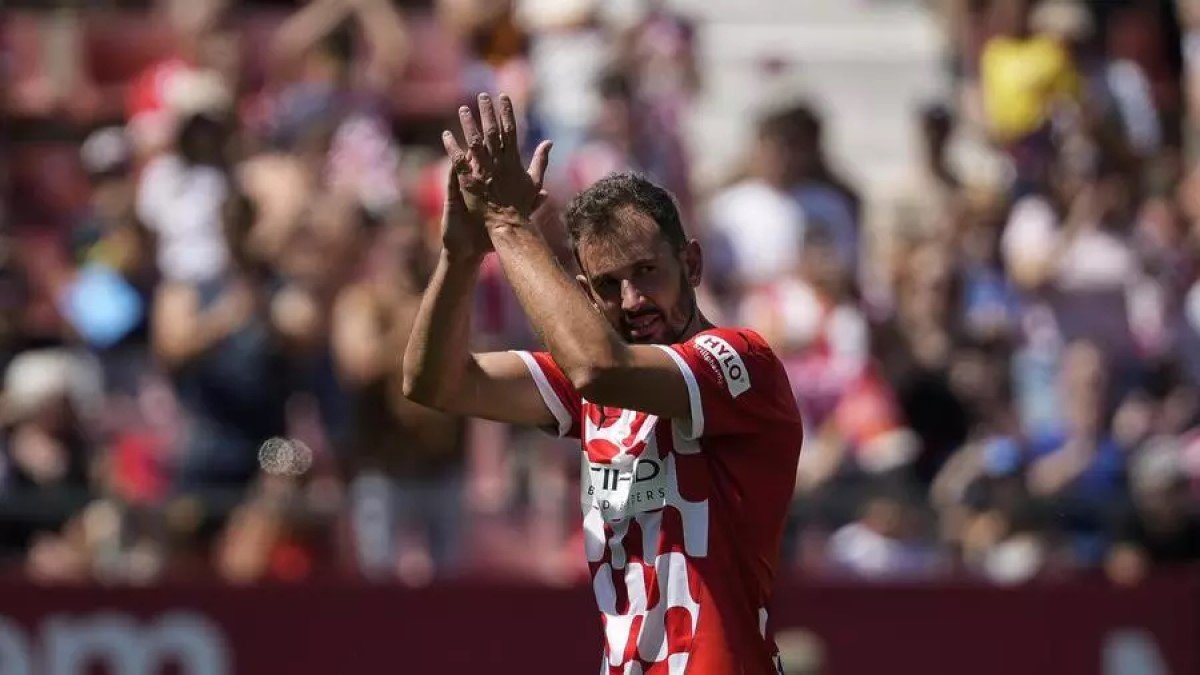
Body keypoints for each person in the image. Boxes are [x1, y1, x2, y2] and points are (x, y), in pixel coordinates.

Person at [403, 92, 803, 674]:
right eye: (610, 285)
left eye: (647, 272)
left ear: (691, 265)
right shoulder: (593, 391)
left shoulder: (739, 361)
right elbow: (435, 383)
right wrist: (460, 255)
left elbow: (599, 368)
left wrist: (509, 222)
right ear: (587, 295)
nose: (633, 300)